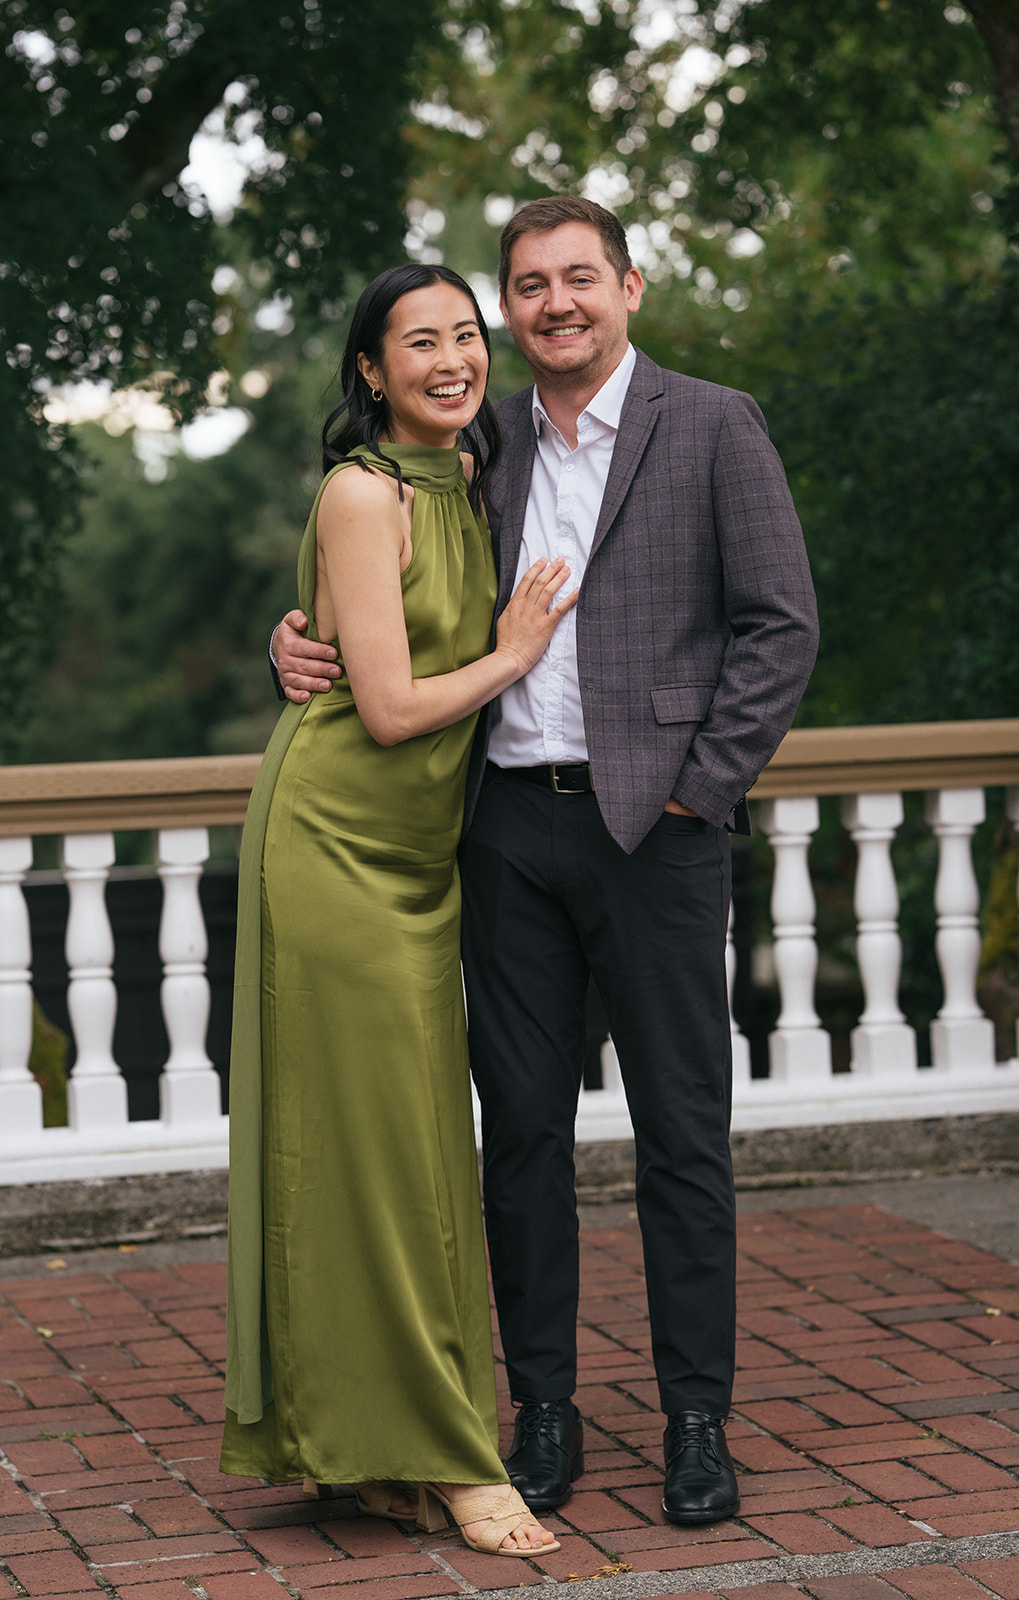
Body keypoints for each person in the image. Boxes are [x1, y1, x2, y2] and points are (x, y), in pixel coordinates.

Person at [272, 197, 819, 1527]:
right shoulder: (480, 442)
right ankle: (547, 1414)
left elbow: (779, 628)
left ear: (630, 286)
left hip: (658, 835)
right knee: (517, 1139)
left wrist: (698, 792)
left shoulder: (712, 424)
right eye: (530, 285)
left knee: (681, 1137)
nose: (554, 303)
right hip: (505, 831)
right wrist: (293, 646)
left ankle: (697, 1424)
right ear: (511, 309)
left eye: (580, 278)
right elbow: (384, 588)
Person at [222, 261, 579, 1561]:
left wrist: (294, 634)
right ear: (370, 370)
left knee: (413, 1155)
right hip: (335, 850)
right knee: (372, 1161)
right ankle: (450, 1456)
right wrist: (512, 658)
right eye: (418, 341)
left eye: (467, 336)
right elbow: (382, 707)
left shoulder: (473, 479)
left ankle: (369, 1455)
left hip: (427, 861)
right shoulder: (366, 492)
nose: (452, 357)